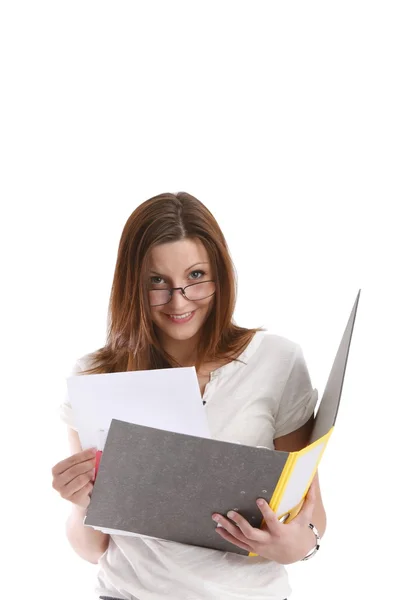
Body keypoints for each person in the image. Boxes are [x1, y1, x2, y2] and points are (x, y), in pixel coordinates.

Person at [52, 191, 326, 600]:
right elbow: (92, 549)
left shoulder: (277, 361)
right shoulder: (96, 376)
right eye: (157, 281)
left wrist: (291, 547)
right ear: (132, 284)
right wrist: (80, 503)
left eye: (196, 276)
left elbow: (310, 519)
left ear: (220, 274)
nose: (178, 300)